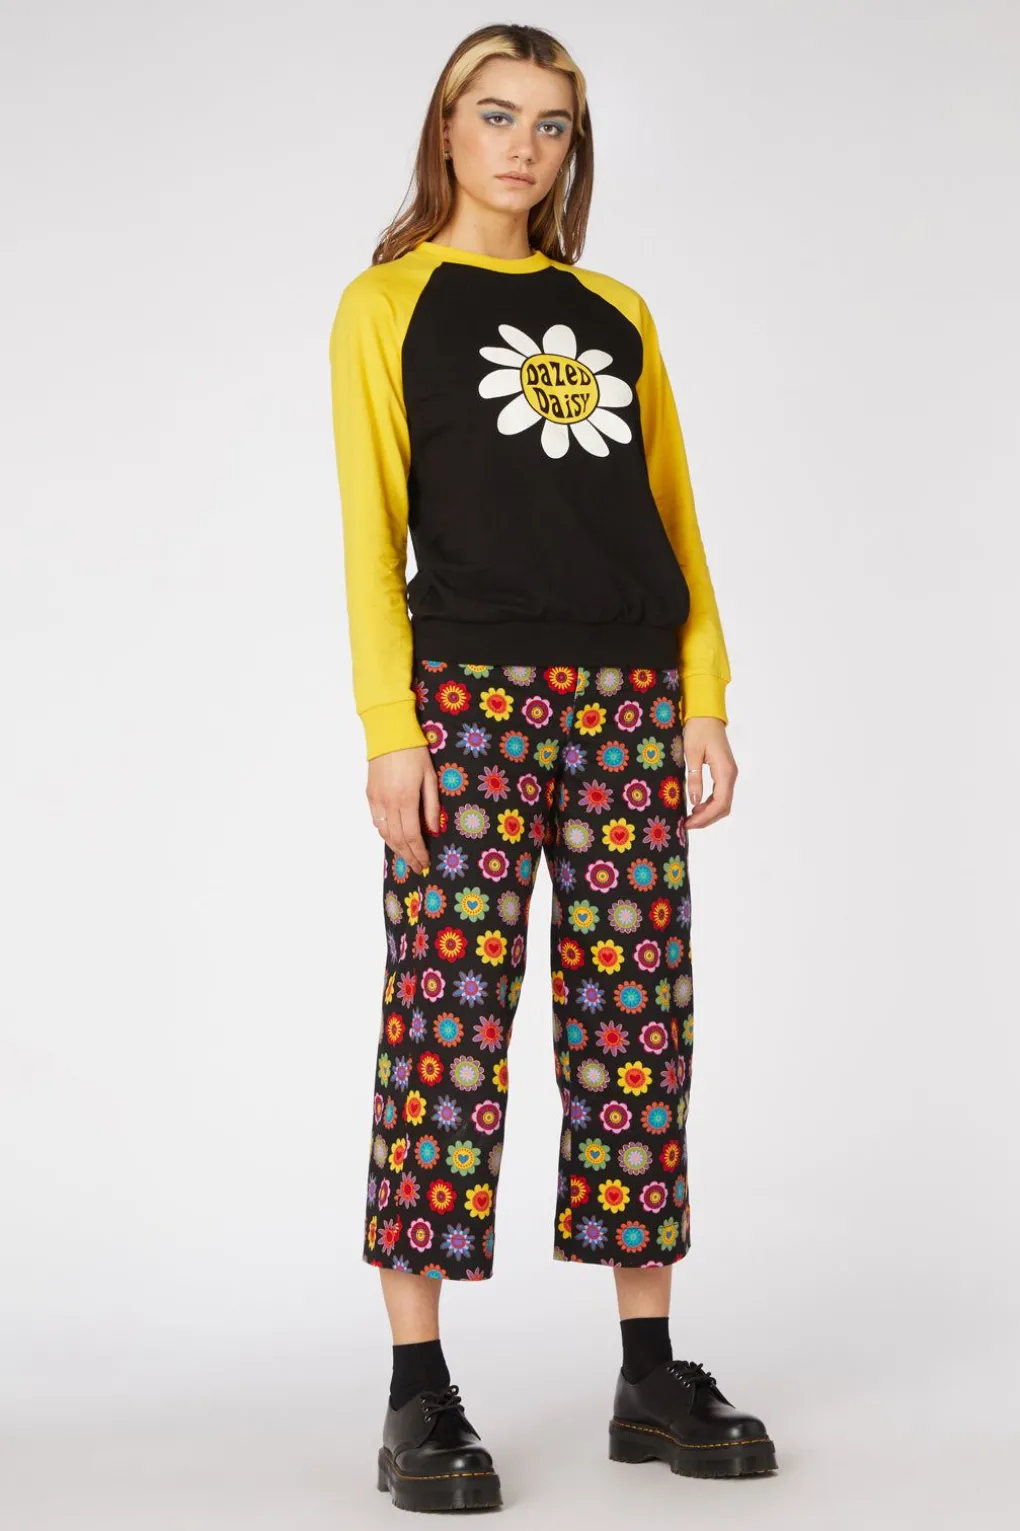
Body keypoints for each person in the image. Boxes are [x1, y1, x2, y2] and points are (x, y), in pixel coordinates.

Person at [328, 21, 776, 1512]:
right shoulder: (387, 306)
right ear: (446, 130)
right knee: (445, 1024)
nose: (523, 147)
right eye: (496, 114)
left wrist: (702, 696)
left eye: (553, 124)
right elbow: (369, 535)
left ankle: (649, 1371)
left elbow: (673, 516)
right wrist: (392, 728)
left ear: (574, 148)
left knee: (637, 1022)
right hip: (467, 705)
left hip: (632, 704)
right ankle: (417, 1390)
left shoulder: (615, 312)